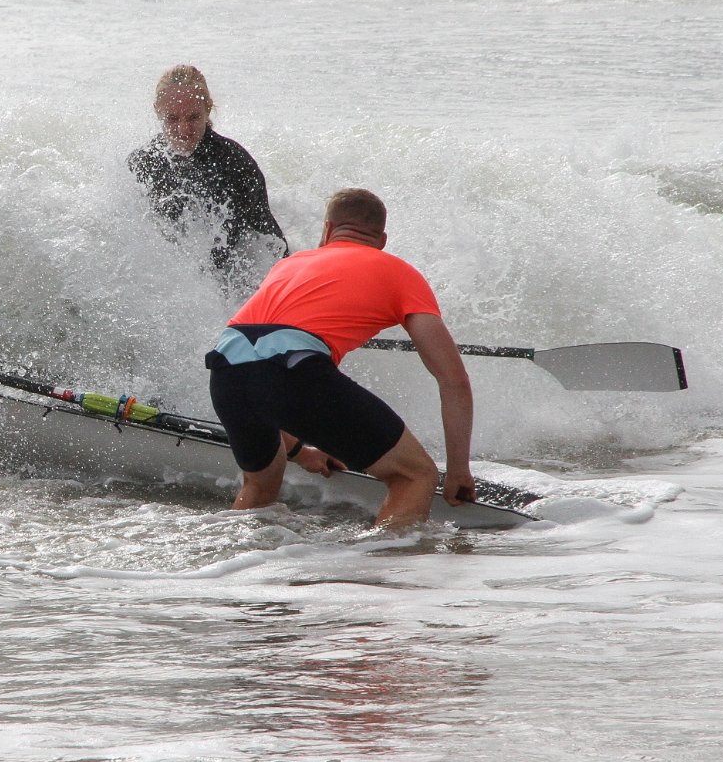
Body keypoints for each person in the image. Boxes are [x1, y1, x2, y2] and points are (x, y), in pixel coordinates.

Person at [205, 188, 474, 530]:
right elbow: (454, 380)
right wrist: (459, 471)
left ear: (328, 230)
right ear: (382, 240)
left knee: (260, 484)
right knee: (415, 474)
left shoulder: (290, 265)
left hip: (226, 367)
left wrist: (301, 451)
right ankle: (386, 570)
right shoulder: (401, 273)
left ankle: (229, 568)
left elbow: (261, 374)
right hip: (293, 369)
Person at [127, 64, 287, 292]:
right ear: (157, 112)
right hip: (165, 290)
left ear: (208, 109)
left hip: (232, 288)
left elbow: (273, 244)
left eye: (193, 117)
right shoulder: (142, 163)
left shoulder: (236, 164)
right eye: (172, 119)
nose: (183, 129)